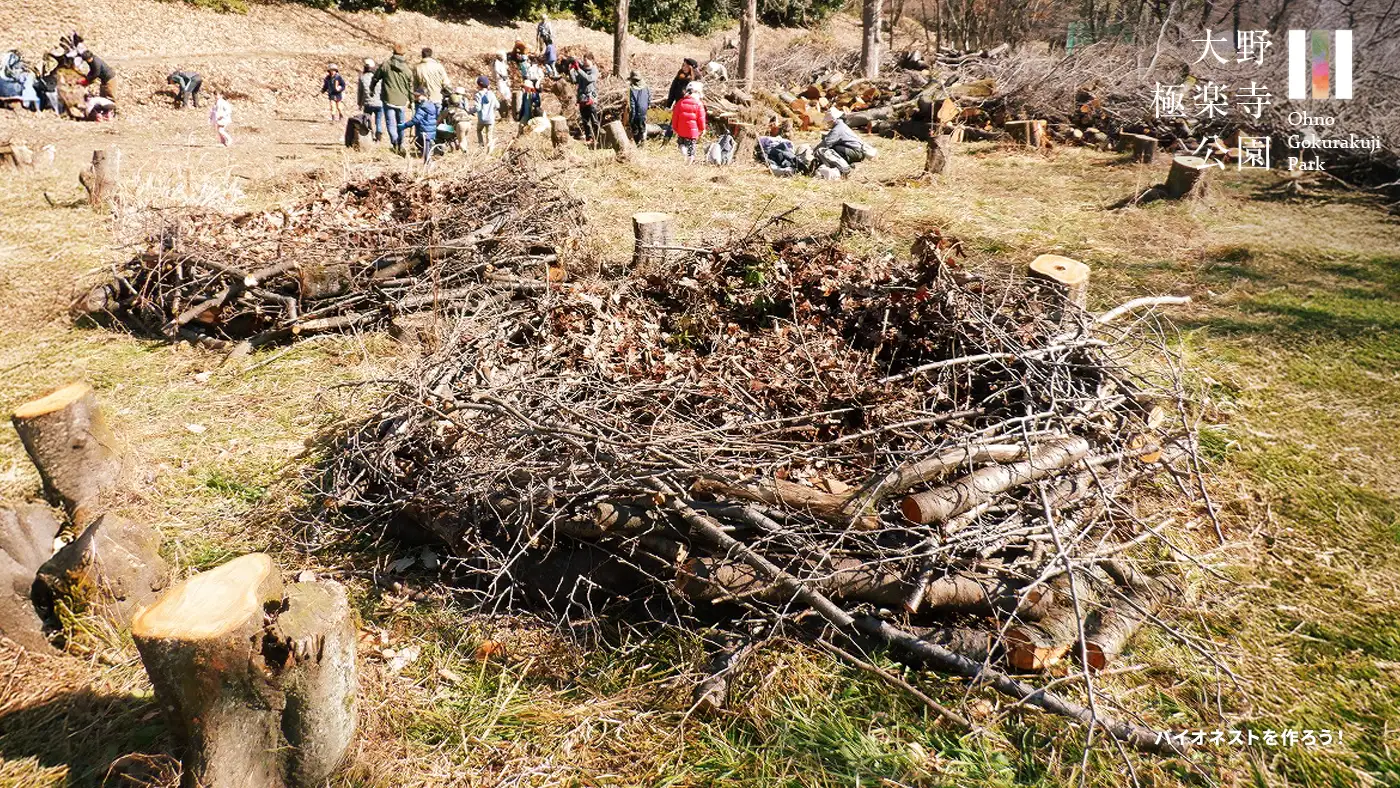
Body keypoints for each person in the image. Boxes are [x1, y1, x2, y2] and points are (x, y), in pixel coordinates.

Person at [372, 44, 414, 154]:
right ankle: (400, 144)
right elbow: (410, 87)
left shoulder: (385, 65)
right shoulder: (407, 70)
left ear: (393, 52)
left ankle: (394, 142)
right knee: (401, 123)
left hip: (388, 98)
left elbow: (375, 78)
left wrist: (372, 89)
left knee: (390, 123)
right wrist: (412, 100)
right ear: (404, 54)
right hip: (401, 100)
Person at [813, 107, 868, 176]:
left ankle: (843, 167)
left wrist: (813, 152)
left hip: (856, 152)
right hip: (857, 150)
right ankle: (847, 163)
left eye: (829, 121)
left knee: (831, 150)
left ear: (833, 120)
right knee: (834, 147)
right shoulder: (840, 125)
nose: (828, 123)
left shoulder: (837, 129)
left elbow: (826, 143)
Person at [399, 88, 439, 164]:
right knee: (418, 141)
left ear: (424, 96)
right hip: (430, 130)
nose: (416, 98)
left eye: (418, 96)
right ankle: (429, 158)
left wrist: (405, 125)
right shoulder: (430, 104)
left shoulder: (423, 107)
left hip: (425, 131)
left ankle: (428, 163)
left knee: (426, 149)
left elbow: (416, 120)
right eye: (415, 96)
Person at [566, 56, 600, 146]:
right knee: (585, 121)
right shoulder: (582, 70)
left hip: (591, 98)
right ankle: (589, 138)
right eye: (583, 60)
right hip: (582, 98)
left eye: (586, 60)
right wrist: (571, 70)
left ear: (591, 60)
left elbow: (589, 79)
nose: (584, 62)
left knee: (594, 120)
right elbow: (574, 80)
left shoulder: (594, 70)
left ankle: (598, 137)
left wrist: (578, 69)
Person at [670, 81, 706, 163]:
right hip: (692, 132)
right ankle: (690, 159)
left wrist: (674, 127)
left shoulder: (680, 102)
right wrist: (702, 129)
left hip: (681, 130)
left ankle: (683, 152)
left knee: (681, 143)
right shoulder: (699, 104)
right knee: (691, 147)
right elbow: (701, 118)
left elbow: (675, 116)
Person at [471, 75, 501, 154]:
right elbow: (497, 105)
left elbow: (477, 108)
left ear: (478, 85)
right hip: (491, 119)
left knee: (479, 130)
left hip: (482, 119)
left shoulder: (478, 95)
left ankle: (481, 147)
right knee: (489, 135)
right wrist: (492, 110)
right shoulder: (492, 94)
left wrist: (470, 110)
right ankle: (489, 152)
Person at [357, 59, 383, 142]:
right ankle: (378, 135)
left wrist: (360, 104)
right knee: (378, 120)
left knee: (368, 119)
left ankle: (370, 134)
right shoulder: (379, 78)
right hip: (379, 103)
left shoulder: (362, 78)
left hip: (368, 103)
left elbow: (360, 92)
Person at [625, 70, 650, 147]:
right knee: (642, 128)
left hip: (636, 113)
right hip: (644, 111)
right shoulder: (646, 87)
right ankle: (642, 143)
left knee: (635, 130)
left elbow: (632, 105)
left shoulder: (631, 89)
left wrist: (630, 120)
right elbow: (649, 99)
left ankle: (637, 146)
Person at [519, 61, 543, 126]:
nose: (525, 89)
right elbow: (523, 106)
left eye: (526, 87)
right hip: (526, 114)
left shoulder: (534, 94)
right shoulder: (524, 95)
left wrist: (534, 105)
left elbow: (537, 104)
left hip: (532, 115)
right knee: (522, 124)